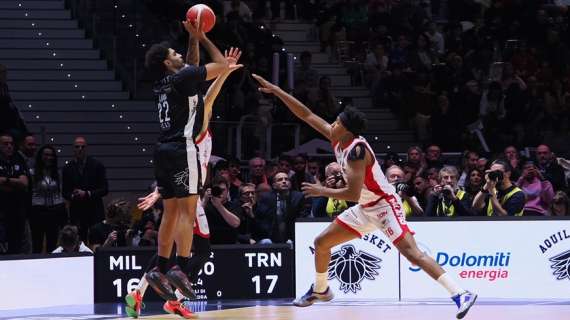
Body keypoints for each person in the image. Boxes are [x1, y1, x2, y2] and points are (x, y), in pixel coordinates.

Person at [252, 74, 477, 319]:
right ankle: (321, 289)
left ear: (347, 128)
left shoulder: (357, 151)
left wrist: (322, 191)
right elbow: (305, 114)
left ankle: (460, 293)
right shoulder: (337, 138)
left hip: (384, 206)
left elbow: (351, 193)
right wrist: (277, 90)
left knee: (413, 254)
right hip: (365, 206)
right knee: (321, 243)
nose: (332, 124)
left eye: (337, 121)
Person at [124, 45, 242, 318]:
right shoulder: (194, 125)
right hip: (187, 179)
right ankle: (171, 295)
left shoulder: (181, 100)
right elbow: (206, 95)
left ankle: (143, 291)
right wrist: (222, 68)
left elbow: (207, 96)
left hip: (175, 170)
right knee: (200, 249)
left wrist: (225, 72)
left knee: (181, 235)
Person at [142, 16, 229, 309]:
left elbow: (191, 65)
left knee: (169, 212)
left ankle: (160, 267)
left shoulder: (163, 82)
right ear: (168, 63)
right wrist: (203, 36)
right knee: (187, 213)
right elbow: (221, 64)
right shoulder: (182, 78)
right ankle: (180, 267)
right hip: (182, 149)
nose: (178, 54)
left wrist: (192, 38)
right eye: (173, 54)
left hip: (162, 150)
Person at [62, 137, 108, 240]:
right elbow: (65, 192)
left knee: (97, 240)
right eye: (77, 147)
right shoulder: (67, 168)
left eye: (82, 146)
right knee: (78, 242)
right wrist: (73, 195)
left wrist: (87, 193)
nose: (80, 149)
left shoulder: (97, 165)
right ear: (73, 149)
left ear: (86, 148)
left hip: (95, 211)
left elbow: (105, 189)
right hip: (77, 212)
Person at [30, 145, 66, 253]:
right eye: (46, 154)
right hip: (38, 210)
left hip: (53, 211)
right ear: (40, 156)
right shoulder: (33, 172)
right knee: (37, 242)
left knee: (52, 242)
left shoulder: (57, 173)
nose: (49, 157)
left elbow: (60, 193)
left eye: (51, 155)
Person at [0, 133, 28, 254]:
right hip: (1, 213)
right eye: (6, 144)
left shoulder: (18, 160)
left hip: (17, 213)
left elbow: (24, 183)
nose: (9, 146)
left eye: (11, 144)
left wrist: (5, 180)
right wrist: (15, 183)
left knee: (16, 249)